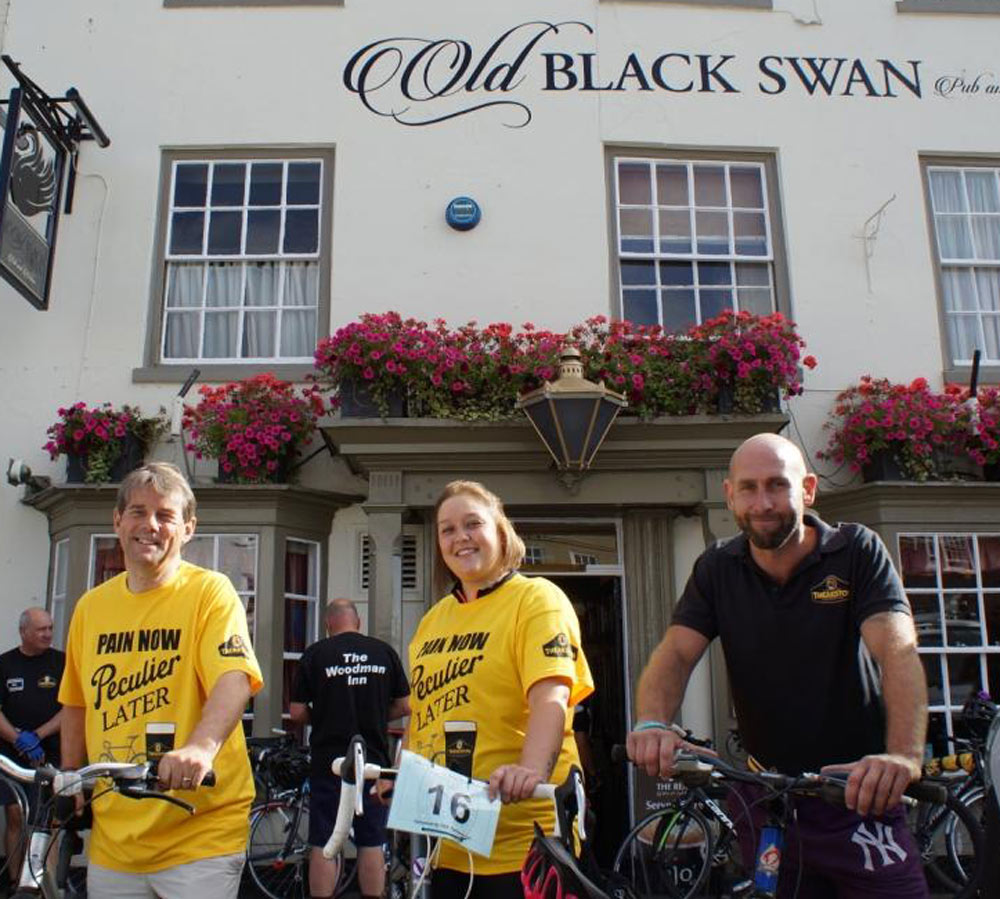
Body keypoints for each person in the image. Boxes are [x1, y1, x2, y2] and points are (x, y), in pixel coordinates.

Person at [627, 433, 929, 898]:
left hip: (855, 793)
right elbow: (676, 653)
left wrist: (904, 755)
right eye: (748, 488)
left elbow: (897, 651)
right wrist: (651, 722)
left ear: (808, 489)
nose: (763, 502)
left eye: (777, 485)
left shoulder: (855, 551)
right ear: (729, 496)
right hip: (767, 799)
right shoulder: (717, 567)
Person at [58, 462, 263, 899]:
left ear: (188, 528)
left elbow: (234, 678)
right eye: (137, 511)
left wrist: (199, 748)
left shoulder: (210, 592)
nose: (149, 525)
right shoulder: (91, 608)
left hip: (199, 832)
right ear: (117, 521)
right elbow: (76, 702)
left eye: (165, 515)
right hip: (114, 842)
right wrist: (71, 776)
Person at [405, 479, 594, 898]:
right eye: (447, 529)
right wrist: (401, 772)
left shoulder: (536, 599)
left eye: (473, 523)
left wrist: (530, 769)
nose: (461, 538)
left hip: (525, 839)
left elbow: (551, 696)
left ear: (500, 532)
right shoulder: (433, 620)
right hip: (448, 840)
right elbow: (424, 713)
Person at [289, 598, 410, 899]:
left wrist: (323, 717)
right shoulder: (383, 652)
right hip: (373, 763)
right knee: (372, 840)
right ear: (358, 623)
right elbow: (406, 705)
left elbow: (296, 712)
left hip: (329, 763)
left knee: (325, 841)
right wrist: (379, 714)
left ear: (328, 625)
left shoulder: (315, 654)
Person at [0, 607, 64, 883]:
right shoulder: (5, 664)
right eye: (41, 629)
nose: (48, 634)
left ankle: (43, 882)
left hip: (50, 751)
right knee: (15, 814)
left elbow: (72, 708)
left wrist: (37, 735)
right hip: (11, 753)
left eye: (50, 628)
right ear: (23, 632)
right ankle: (15, 882)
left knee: (48, 818)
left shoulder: (62, 662)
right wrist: (18, 739)